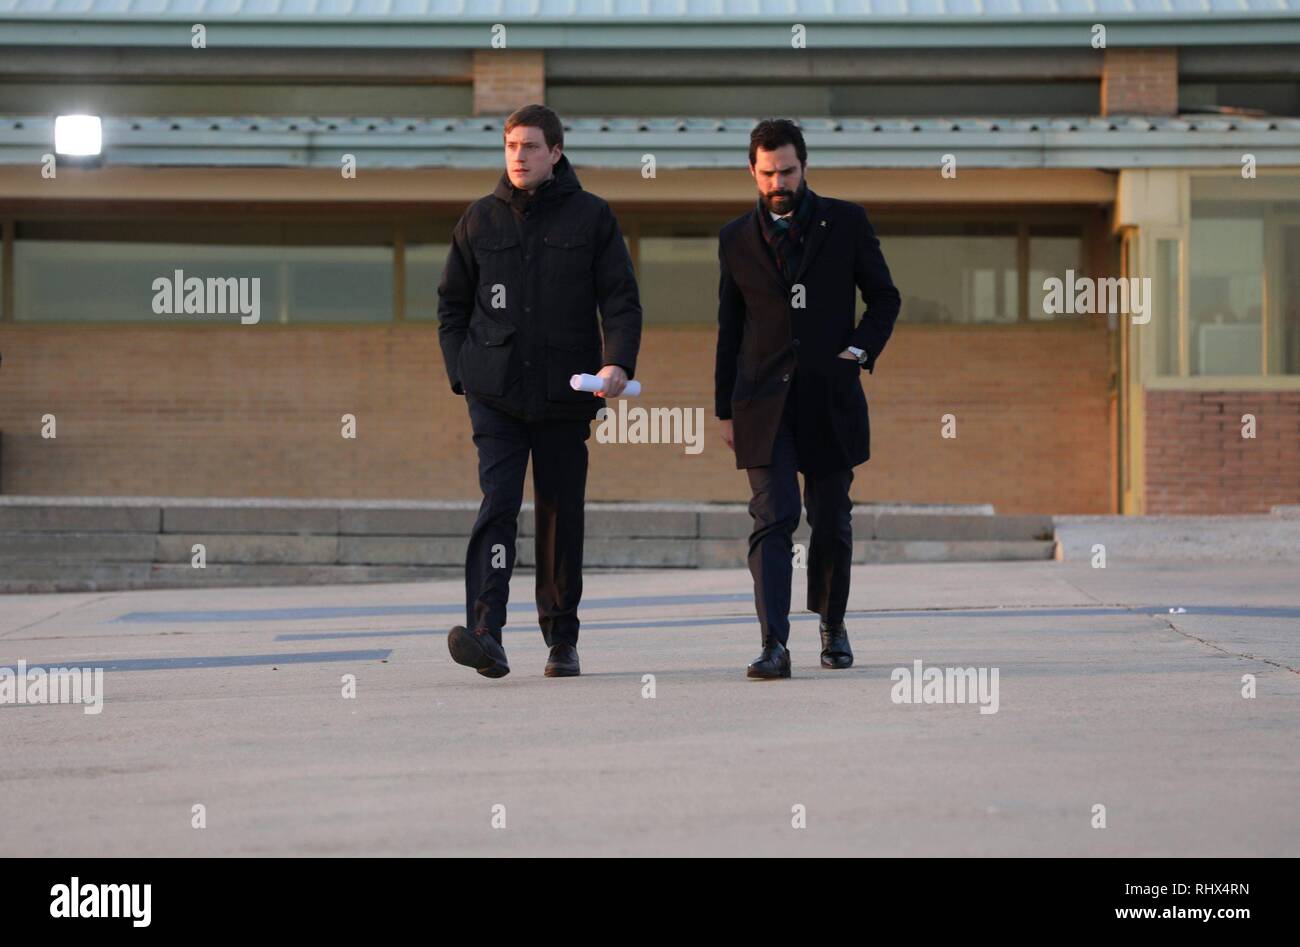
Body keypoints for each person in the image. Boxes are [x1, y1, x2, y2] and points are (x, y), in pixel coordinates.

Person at [437, 104, 642, 679]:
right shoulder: (479, 221)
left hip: (564, 393)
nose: (518, 156)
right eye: (510, 146)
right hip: (495, 393)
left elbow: (620, 300)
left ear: (555, 152)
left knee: (558, 511)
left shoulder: (592, 218)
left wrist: (617, 362)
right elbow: (452, 305)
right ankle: (486, 631)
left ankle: (561, 638)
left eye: (530, 146)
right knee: (498, 505)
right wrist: (463, 371)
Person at [715, 119, 901, 679]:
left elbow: (885, 298)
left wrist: (859, 351)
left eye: (788, 171)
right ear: (753, 171)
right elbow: (730, 328)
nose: (779, 182)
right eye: (768, 173)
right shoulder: (734, 238)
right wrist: (724, 408)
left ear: (805, 167)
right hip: (761, 404)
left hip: (830, 398)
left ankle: (832, 622)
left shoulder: (845, 221)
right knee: (774, 517)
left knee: (831, 518)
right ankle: (774, 644)